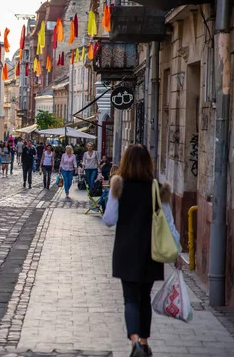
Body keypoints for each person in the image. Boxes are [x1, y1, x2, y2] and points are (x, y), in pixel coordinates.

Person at [102, 144, 182, 357]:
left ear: (125, 161)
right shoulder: (157, 188)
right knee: (144, 297)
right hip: (151, 251)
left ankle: (135, 342)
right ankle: (144, 344)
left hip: (126, 251)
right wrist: (176, 252)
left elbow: (109, 219)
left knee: (130, 298)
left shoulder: (119, 185)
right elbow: (168, 222)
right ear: (148, 163)